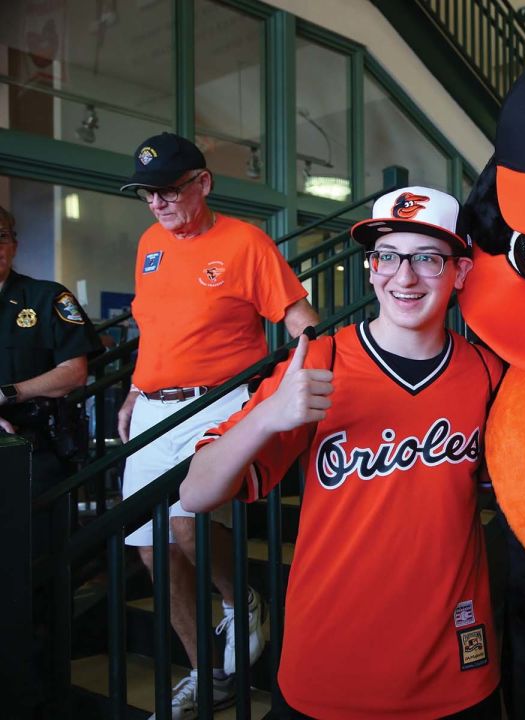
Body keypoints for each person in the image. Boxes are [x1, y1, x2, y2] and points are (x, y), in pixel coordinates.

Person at [180, 187, 503, 719]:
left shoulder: (489, 373)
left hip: (453, 663)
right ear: (371, 269)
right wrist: (267, 416)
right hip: (329, 658)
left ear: (460, 273)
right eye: (389, 257)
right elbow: (196, 493)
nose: (405, 277)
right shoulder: (319, 362)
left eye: (427, 258)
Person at [117, 132, 319, 717]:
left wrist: (294, 387)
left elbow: (303, 320)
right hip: (154, 407)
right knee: (153, 550)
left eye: (169, 191)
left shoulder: (245, 243)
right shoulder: (150, 244)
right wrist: (133, 390)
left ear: (202, 183)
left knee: (186, 526)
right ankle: (207, 675)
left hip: (217, 402)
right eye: (147, 194)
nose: (157, 203)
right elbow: (154, 329)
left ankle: (240, 600)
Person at [0, 203, 100, 501]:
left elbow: (74, 373)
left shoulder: (47, 297)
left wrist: (8, 392)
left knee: (36, 543)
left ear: (15, 245)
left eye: (1, 236)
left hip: (35, 448)